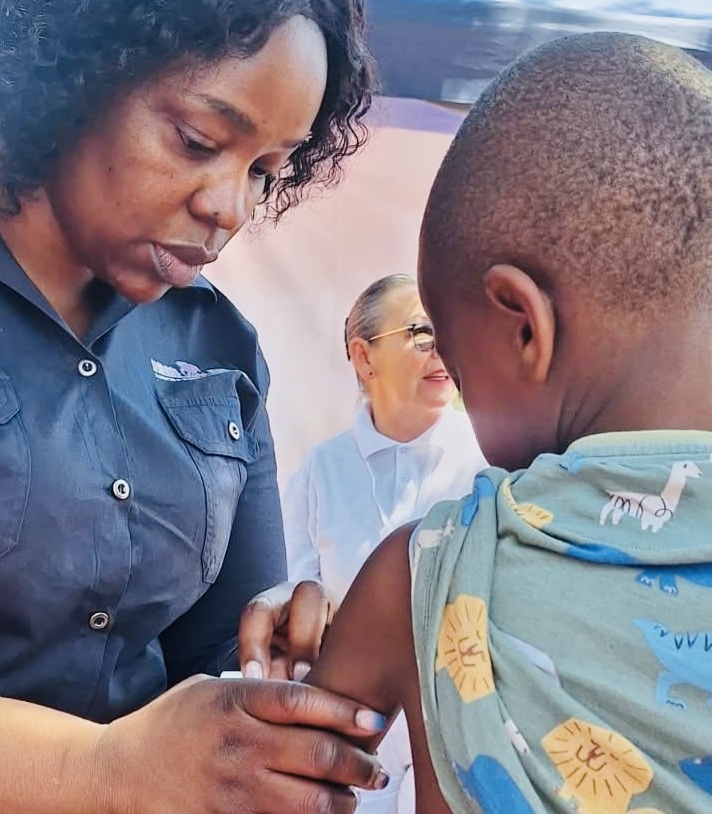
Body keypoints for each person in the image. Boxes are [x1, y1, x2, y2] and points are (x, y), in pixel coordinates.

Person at [0, 1, 388, 812]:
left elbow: (212, 656)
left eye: (265, 169)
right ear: (67, 73)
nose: (229, 208)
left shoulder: (215, 345)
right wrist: (96, 772)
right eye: (198, 142)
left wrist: (274, 669)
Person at [292, 31, 712, 812]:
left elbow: (274, 777)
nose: (449, 387)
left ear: (522, 326)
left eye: (450, 350)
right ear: (359, 359)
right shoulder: (323, 470)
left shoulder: (430, 572)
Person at [283, 273, 486, 811]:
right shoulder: (319, 474)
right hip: (350, 764)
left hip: (461, 763)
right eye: (421, 332)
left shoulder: (492, 462)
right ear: (364, 358)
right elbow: (295, 611)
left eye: (448, 330)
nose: (442, 349)